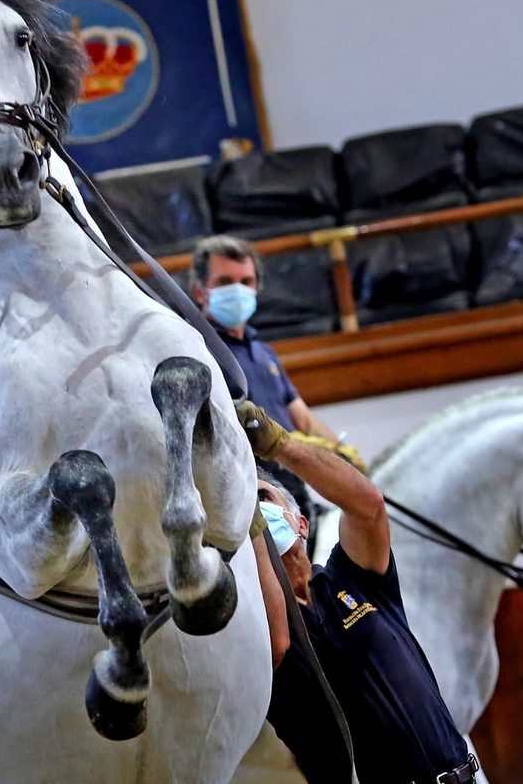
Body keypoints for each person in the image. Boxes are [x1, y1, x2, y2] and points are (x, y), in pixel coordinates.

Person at [240, 399, 481, 784]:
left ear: (301, 524)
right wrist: (242, 521)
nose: (255, 512)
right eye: (245, 507)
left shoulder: (352, 577)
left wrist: (279, 445)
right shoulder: (256, 627)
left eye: (262, 499)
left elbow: (368, 507)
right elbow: (277, 643)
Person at [188, 235, 335, 439]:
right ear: (200, 292)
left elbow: (304, 421)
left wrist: (343, 453)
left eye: (246, 281)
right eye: (225, 282)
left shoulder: (264, 353)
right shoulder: (196, 352)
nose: (238, 290)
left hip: (291, 468)